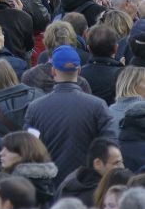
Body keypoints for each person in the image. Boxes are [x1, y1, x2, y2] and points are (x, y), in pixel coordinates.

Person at [24, 45, 115, 183]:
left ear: (53, 71)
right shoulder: (98, 106)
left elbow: (28, 151)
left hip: (51, 186)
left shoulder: (35, 108)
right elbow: (110, 146)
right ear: (79, 70)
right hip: (88, 184)